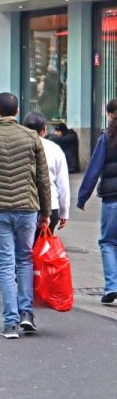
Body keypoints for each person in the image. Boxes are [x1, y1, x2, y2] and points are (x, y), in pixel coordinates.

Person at [0, 92, 51, 338]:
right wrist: (45, 211)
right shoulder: (31, 138)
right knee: (25, 259)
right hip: (27, 208)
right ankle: (27, 314)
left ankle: (10, 323)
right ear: (16, 111)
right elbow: (43, 179)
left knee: (6, 264)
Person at [77, 97, 117, 305]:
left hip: (112, 201)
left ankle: (112, 287)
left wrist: (82, 197)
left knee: (109, 242)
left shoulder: (106, 138)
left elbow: (93, 170)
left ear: (110, 115)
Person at [23, 112, 70, 238]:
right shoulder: (55, 149)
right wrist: (64, 212)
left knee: (23, 252)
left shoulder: (16, 148)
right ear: (44, 130)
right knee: (42, 251)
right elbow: (63, 184)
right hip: (51, 206)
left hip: (22, 206)